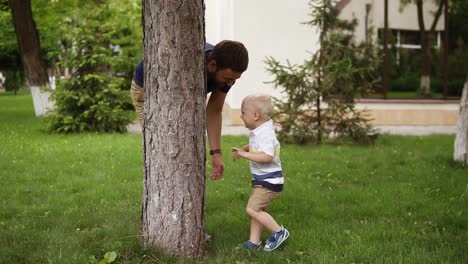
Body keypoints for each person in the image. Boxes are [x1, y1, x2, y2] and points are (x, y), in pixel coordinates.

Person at [130, 40, 248, 181]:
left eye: (234, 80)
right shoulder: (187, 64)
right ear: (212, 65)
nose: (229, 84)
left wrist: (216, 154)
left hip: (184, 94)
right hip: (147, 89)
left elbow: (214, 110)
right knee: (159, 138)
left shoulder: (225, 73)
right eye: (227, 78)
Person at [231, 94, 289, 251]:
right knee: (258, 211)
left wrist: (245, 155)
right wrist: (244, 148)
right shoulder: (260, 130)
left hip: (269, 181)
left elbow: (267, 156)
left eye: (243, 113)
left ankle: (279, 232)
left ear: (255, 115)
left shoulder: (265, 134)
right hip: (264, 180)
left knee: (253, 209)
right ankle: (254, 243)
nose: (241, 116)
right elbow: (257, 146)